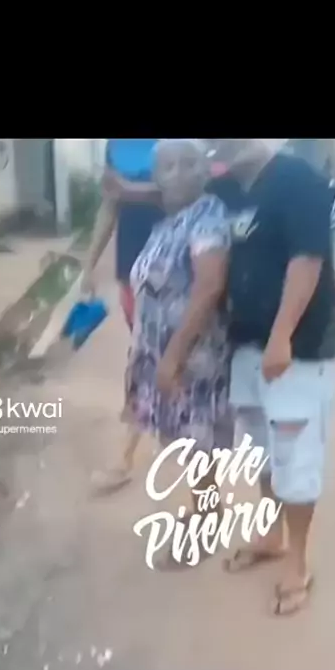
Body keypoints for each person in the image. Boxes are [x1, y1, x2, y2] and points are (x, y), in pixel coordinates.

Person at [206, 139, 335, 616]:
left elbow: (307, 261)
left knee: (296, 457)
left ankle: (297, 564)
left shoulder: (299, 181)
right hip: (244, 344)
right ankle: (270, 536)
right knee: (261, 450)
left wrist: (282, 336)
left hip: (296, 349)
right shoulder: (225, 188)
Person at [124, 139, 233, 556]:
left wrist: (173, 357)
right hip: (163, 354)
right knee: (185, 441)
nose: (180, 173)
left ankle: (208, 522)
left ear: (206, 171)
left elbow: (209, 287)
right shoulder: (169, 222)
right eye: (169, 166)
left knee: (197, 441)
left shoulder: (207, 217)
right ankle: (204, 509)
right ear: (157, 176)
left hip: (193, 358)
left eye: (190, 163)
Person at [82, 139, 163, 492]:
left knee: (152, 358)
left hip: (174, 267)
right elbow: (110, 204)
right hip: (130, 270)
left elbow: (189, 191)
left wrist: (128, 189)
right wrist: (89, 263)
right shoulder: (115, 145)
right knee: (147, 356)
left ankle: (124, 456)